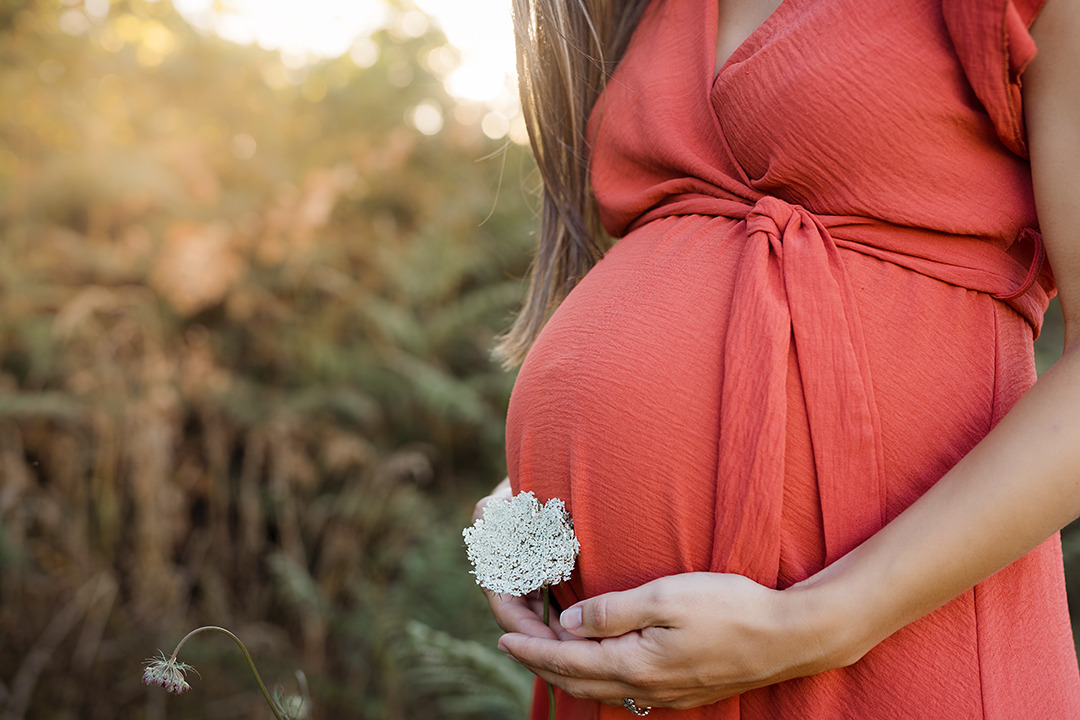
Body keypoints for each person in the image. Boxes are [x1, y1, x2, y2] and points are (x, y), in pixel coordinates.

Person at [473, 0, 1080, 716]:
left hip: (882, 644)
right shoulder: (648, 12)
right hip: (625, 673)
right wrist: (537, 487)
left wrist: (816, 623)